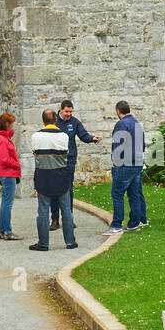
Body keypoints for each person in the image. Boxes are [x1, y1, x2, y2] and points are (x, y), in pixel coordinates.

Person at [50, 98, 102, 231]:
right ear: (61, 110)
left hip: (69, 161)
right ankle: (55, 219)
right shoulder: (53, 121)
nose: (68, 114)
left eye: (71, 112)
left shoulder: (74, 122)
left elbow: (83, 135)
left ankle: (68, 218)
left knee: (68, 190)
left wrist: (92, 139)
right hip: (55, 161)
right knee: (55, 190)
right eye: (66, 111)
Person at [29, 109, 78, 251]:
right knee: (66, 210)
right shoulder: (64, 136)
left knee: (43, 211)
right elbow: (65, 153)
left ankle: (43, 243)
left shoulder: (36, 136)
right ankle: (70, 241)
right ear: (56, 120)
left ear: (43, 121)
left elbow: (35, 152)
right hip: (61, 176)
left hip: (43, 176)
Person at [104, 100, 147, 235]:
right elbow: (143, 145)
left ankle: (116, 225)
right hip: (138, 163)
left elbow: (118, 145)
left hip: (125, 164)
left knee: (117, 194)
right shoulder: (137, 123)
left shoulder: (121, 124)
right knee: (134, 194)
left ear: (118, 111)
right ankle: (135, 222)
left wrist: (115, 162)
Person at [0, 112, 22, 240]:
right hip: (8, 173)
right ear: (7, 124)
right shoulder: (2, 139)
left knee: (5, 203)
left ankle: (3, 230)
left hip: (5, 173)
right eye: (12, 123)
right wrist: (16, 164)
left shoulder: (0, 138)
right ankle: (7, 231)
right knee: (7, 204)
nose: (13, 126)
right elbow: (4, 159)